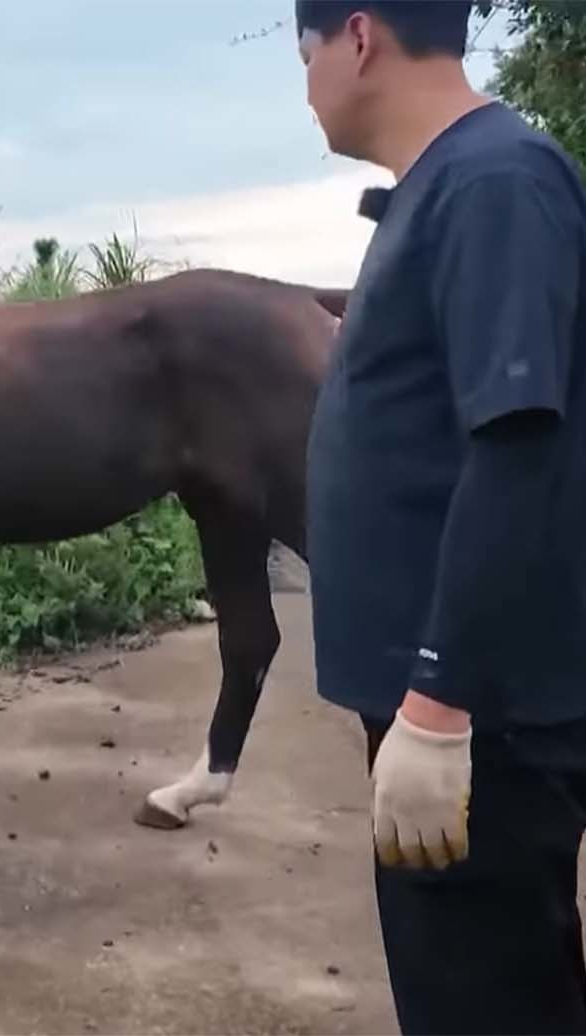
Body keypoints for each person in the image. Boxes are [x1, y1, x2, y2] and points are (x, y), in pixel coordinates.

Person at [298, 1, 586, 1032]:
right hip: (451, 712)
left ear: (359, 37)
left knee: (492, 1004)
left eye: (307, 52)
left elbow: (518, 447)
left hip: (482, 726)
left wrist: (437, 705)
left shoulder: (495, 181)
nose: (308, 83)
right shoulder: (443, 188)